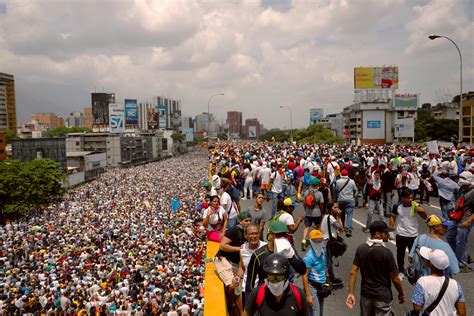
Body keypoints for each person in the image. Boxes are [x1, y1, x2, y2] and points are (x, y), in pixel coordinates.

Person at [346, 221, 404, 316]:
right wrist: (401, 294)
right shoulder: (387, 253)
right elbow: (395, 279)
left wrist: (351, 293)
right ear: (377, 234)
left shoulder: (361, 249)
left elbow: (353, 272)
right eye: (386, 233)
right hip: (382, 297)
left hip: (365, 295)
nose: (388, 235)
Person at [245, 221, 306, 298]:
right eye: (278, 235)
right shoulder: (258, 255)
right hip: (265, 297)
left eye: (284, 235)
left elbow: (303, 270)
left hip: (284, 297)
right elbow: (250, 283)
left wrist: (291, 257)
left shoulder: (289, 250)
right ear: (270, 235)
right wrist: (249, 306)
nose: (281, 238)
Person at [243, 253, 309, 316]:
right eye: (271, 277)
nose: (275, 281)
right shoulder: (258, 293)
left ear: (286, 277)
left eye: (279, 277)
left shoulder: (298, 294)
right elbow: (246, 313)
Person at [216, 211, 252, 315]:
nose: (248, 222)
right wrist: (239, 249)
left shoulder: (250, 231)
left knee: (238, 288)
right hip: (225, 261)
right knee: (233, 287)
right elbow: (222, 246)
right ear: (240, 221)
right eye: (246, 221)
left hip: (239, 263)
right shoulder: (234, 230)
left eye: (250, 220)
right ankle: (233, 306)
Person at [411, 247, 466, 316]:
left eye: (428, 259)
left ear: (430, 264)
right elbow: (462, 312)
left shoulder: (422, 281)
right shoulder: (456, 285)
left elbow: (417, 307)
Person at [389, 188, 427, 280]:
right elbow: (393, 218)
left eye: (411, 198)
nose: (410, 200)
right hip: (401, 235)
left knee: (414, 255)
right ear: (402, 198)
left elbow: (425, 217)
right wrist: (390, 231)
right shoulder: (397, 206)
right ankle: (401, 271)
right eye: (408, 198)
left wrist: (421, 210)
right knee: (400, 254)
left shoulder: (415, 205)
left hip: (413, 235)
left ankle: (414, 270)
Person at [236, 224, 267, 306]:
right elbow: (242, 267)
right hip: (247, 290)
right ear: (245, 235)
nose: (254, 236)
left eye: (256, 233)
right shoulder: (243, 249)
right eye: (251, 234)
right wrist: (237, 277)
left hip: (263, 289)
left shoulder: (266, 248)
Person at [302, 230, 327, 316]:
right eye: (316, 241)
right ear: (311, 242)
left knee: (320, 310)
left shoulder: (322, 252)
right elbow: (304, 276)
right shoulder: (309, 257)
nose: (318, 243)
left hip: (321, 286)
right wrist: (308, 295)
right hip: (312, 287)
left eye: (320, 240)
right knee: (315, 311)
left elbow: (323, 268)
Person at [320, 202, 343, 285]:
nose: (337, 209)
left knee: (328, 260)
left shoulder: (326, 216)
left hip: (326, 241)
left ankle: (332, 278)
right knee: (327, 262)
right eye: (335, 207)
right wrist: (339, 216)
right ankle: (321, 280)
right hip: (328, 242)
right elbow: (341, 228)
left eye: (338, 207)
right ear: (330, 208)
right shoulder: (330, 218)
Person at [301, 178, 325, 251]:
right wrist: (322, 212)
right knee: (318, 227)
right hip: (317, 213)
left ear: (311, 184)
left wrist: (306, 210)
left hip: (308, 213)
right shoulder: (319, 193)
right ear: (318, 184)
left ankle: (304, 240)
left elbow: (304, 203)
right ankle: (315, 241)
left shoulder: (307, 192)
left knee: (307, 226)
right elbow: (321, 204)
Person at [335, 169, 357, 237]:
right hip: (350, 199)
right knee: (349, 215)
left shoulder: (338, 181)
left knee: (341, 214)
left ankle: (341, 227)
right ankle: (349, 229)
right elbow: (355, 190)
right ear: (347, 174)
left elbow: (336, 190)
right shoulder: (352, 181)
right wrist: (353, 197)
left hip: (341, 200)